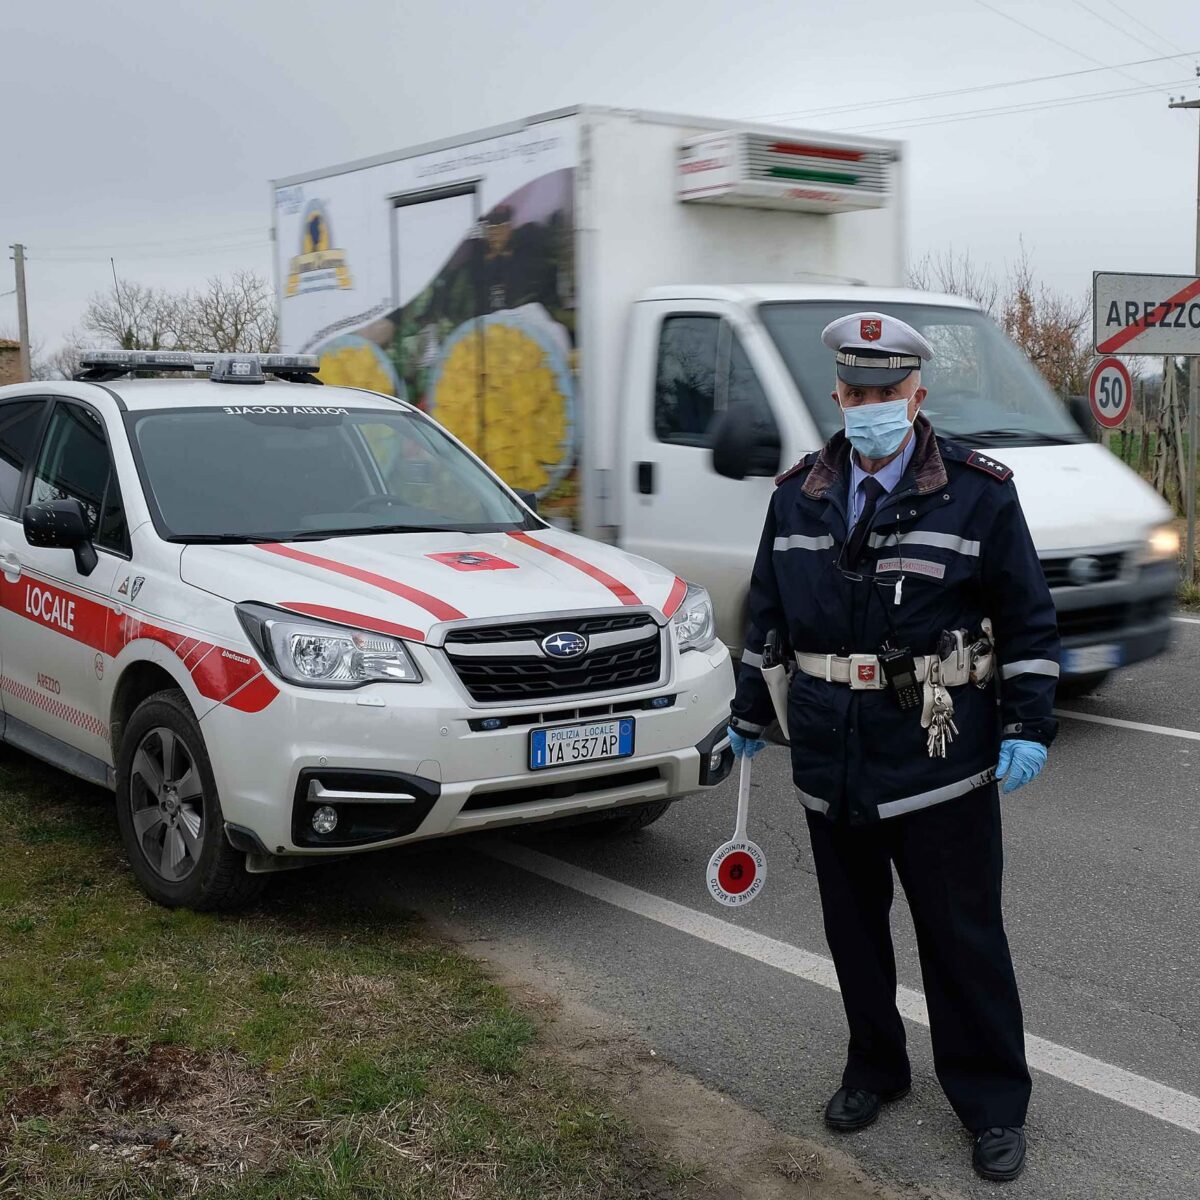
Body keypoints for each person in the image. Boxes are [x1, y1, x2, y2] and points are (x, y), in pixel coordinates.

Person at [728, 311, 1058, 1183]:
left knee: (961, 937)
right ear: (837, 394)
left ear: (917, 395)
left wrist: (1027, 722)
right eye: (857, 392)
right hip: (831, 753)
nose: (871, 405)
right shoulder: (797, 494)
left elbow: (1027, 618)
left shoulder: (979, 492)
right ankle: (874, 1066)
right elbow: (765, 612)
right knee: (852, 930)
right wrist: (746, 710)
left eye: (888, 392)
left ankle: (991, 1101)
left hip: (939, 755)